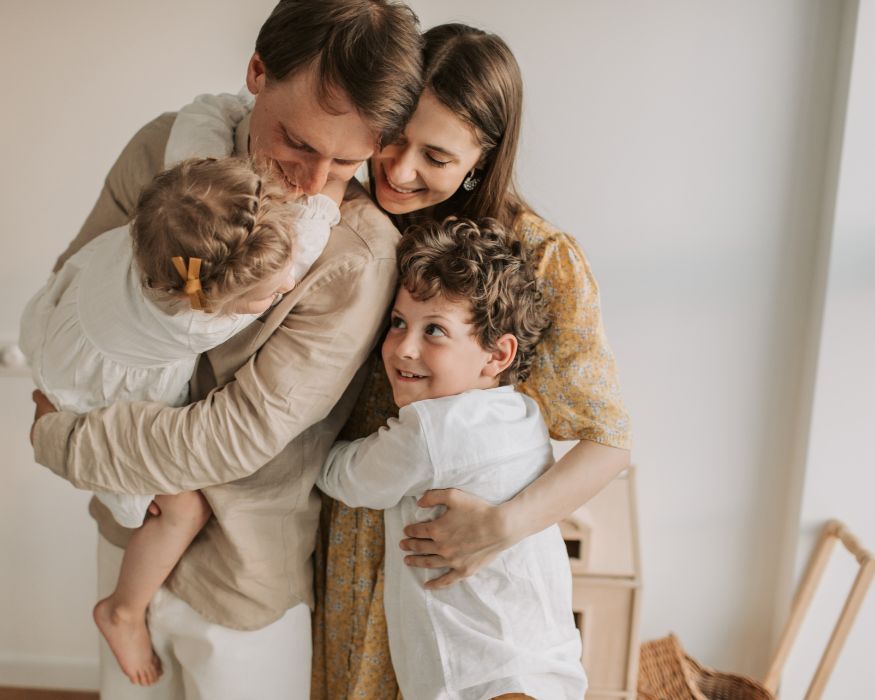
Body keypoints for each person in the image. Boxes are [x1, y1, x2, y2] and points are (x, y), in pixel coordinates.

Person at [27, 1, 422, 697]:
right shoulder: (161, 150)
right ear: (257, 72)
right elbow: (77, 287)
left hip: (243, 578)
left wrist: (63, 440)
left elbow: (239, 434)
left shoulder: (357, 254)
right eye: (297, 143)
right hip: (127, 534)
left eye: (347, 161)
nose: (312, 182)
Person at [312, 23, 632, 698]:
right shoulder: (341, 218)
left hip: (455, 564)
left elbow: (607, 443)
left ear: (482, 158)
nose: (399, 170)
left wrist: (499, 528)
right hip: (346, 542)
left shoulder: (540, 258)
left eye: (435, 155)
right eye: (393, 138)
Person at [20, 156, 339, 687]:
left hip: (62, 341)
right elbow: (303, 250)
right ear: (213, 301)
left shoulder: (156, 230)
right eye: (269, 295)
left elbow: (198, 131)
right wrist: (330, 193)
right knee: (181, 508)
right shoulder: (193, 321)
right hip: (91, 392)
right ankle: (123, 610)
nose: (286, 287)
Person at [317, 217, 588, 700]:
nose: (404, 348)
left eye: (435, 330)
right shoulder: (523, 414)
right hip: (544, 662)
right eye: (398, 323)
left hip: (478, 677)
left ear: (496, 355)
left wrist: (311, 436)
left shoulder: (433, 430)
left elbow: (345, 477)